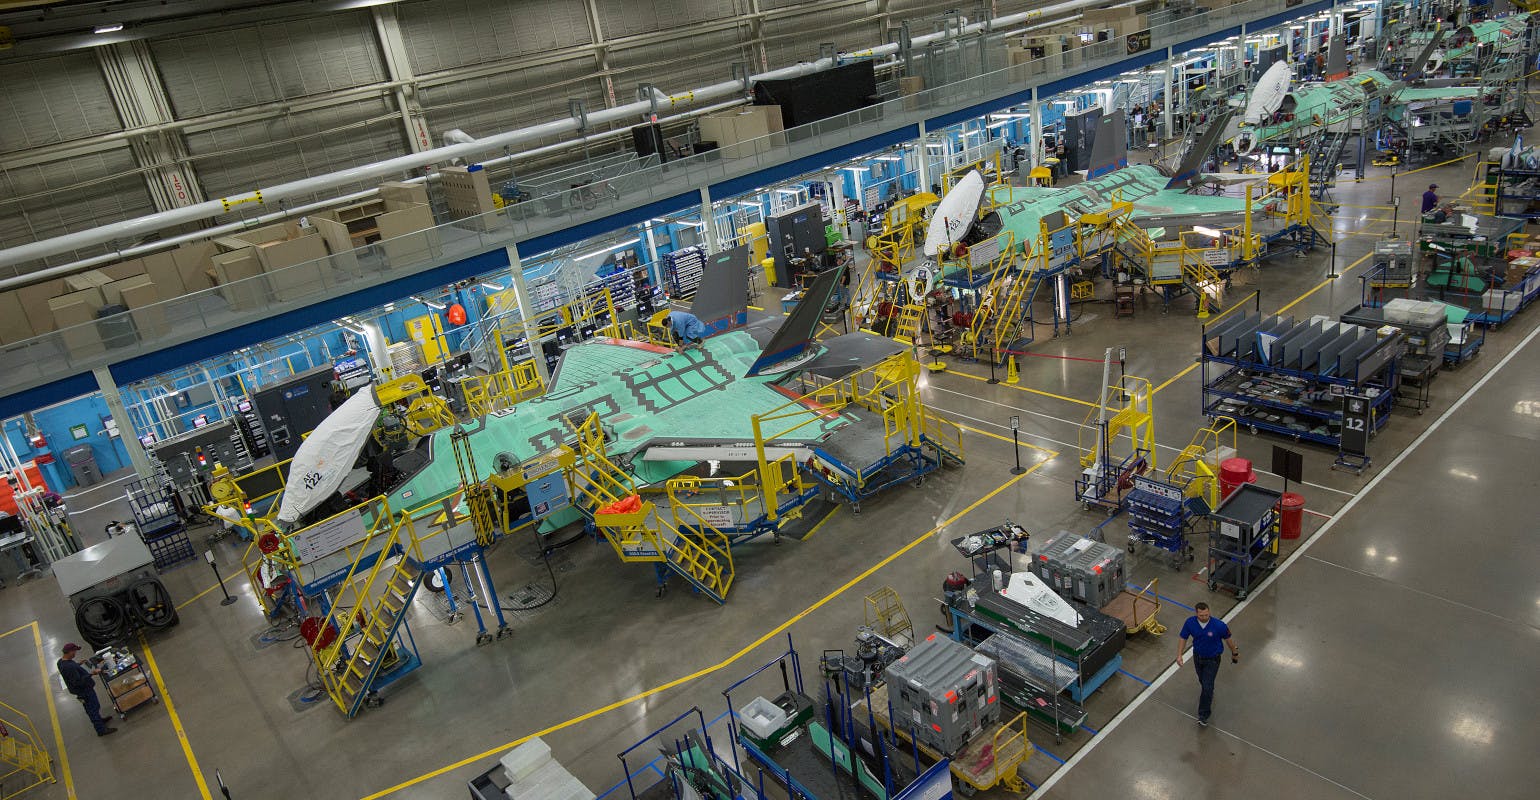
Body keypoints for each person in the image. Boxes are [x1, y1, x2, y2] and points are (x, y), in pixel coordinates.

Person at [1175, 602, 1239, 727]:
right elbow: (1183, 637)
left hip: (1213, 660)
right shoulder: (1190, 623)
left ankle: (1203, 715)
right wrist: (1179, 655)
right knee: (1203, 681)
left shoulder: (1219, 625)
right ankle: (1208, 693)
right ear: (1196, 613)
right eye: (1202, 615)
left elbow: (1228, 639)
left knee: (1207, 686)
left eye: (1206, 614)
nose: (1205, 617)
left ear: (1209, 612)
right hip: (1198, 658)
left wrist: (1235, 652)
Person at [57, 643, 116, 736]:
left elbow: (69, 672)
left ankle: (100, 721)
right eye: (74, 651)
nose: (75, 653)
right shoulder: (70, 667)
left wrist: (78, 664)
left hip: (82, 691)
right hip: (84, 691)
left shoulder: (61, 662)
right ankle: (101, 730)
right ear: (70, 652)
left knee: (94, 707)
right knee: (92, 709)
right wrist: (92, 673)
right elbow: (78, 682)